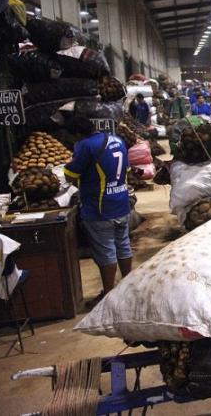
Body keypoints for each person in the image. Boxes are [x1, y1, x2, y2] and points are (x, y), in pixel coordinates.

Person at [63, 117, 132, 305]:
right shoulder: (117, 140)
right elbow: (127, 169)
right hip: (122, 202)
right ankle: (129, 287)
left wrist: (67, 167)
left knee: (106, 252)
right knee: (123, 245)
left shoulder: (85, 145)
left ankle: (109, 295)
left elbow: (71, 175)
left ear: (77, 134)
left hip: (100, 208)